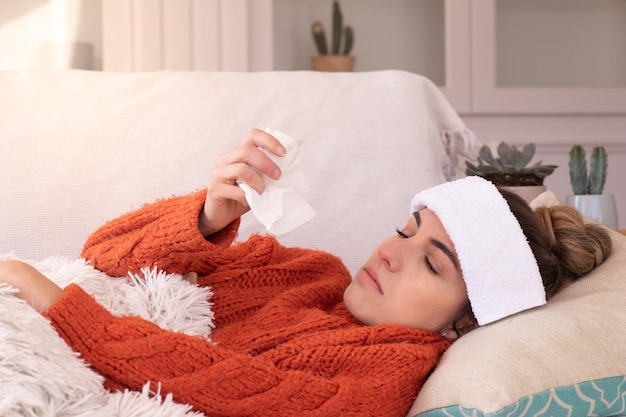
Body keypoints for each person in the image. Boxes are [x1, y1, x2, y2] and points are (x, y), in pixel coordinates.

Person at [0, 129, 613, 417]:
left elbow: (237, 388)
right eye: (407, 228)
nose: (391, 253)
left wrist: (65, 307)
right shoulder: (308, 273)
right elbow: (104, 260)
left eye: (431, 262)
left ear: (466, 320)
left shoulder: (391, 370)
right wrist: (210, 215)